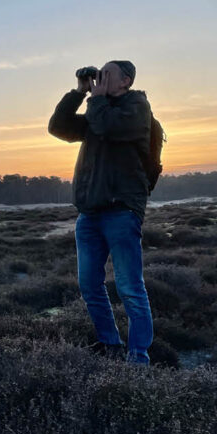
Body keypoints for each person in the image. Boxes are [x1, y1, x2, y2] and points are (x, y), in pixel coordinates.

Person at [47, 60, 165, 364]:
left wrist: (96, 100)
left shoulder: (137, 106)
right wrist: (79, 93)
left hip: (121, 210)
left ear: (125, 81)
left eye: (107, 74)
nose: (100, 78)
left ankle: (138, 357)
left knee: (129, 287)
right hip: (89, 213)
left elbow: (110, 126)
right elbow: (58, 128)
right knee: (89, 284)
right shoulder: (98, 109)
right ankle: (109, 344)